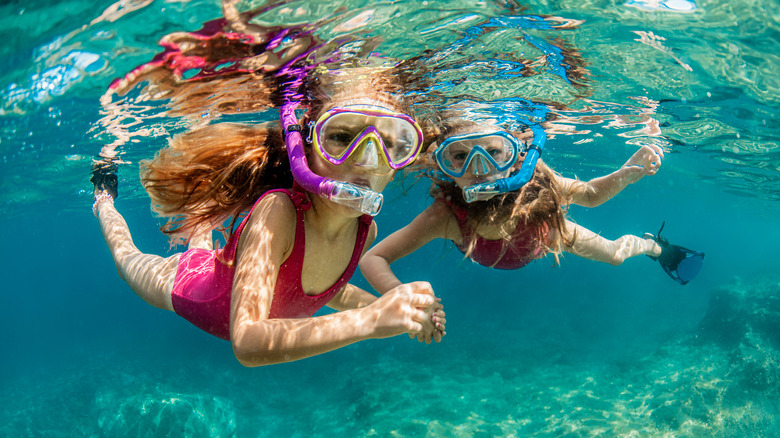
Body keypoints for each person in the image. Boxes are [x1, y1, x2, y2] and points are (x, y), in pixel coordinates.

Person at [92, 68, 448, 367]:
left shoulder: (364, 231)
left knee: (202, 240)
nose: (367, 159)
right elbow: (247, 341)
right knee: (127, 260)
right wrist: (374, 319)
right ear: (306, 146)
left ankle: (202, 223)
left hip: (221, 270)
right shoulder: (278, 211)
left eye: (392, 144)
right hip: (188, 288)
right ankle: (104, 199)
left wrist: (403, 313)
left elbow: (326, 291)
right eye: (341, 136)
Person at [360, 116, 703, 296]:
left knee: (615, 255)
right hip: (510, 248)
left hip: (548, 234)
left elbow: (590, 196)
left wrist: (626, 175)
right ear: (444, 164)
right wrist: (398, 295)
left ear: (515, 155)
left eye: (493, 152)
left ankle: (653, 247)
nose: (478, 170)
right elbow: (374, 257)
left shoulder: (537, 181)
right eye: (460, 157)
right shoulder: (446, 215)